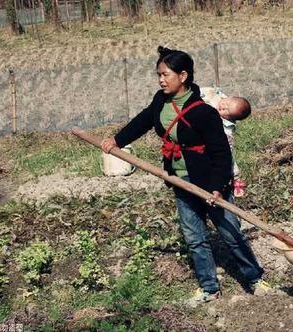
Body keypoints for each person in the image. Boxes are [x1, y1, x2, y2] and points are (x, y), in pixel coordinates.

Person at [101, 46, 270, 306]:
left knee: (230, 232)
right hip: (179, 179)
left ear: (183, 75)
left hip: (209, 181)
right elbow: (143, 121)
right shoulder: (160, 100)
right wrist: (117, 140)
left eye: (165, 74)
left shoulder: (204, 112)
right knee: (194, 237)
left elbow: (221, 154)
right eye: (158, 74)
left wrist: (216, 188)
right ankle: (209, 288)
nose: (160, 79)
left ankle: (255, 279)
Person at [200, 87, 251, 197]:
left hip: (219, 141)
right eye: (226, 103)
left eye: (226, 110)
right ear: (229, 97)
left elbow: (226, 144)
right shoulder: (217, 95)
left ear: (229, 118)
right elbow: (203, 91)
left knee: (228, 158)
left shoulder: (226, 126)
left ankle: (235, 179)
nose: (222, 106)